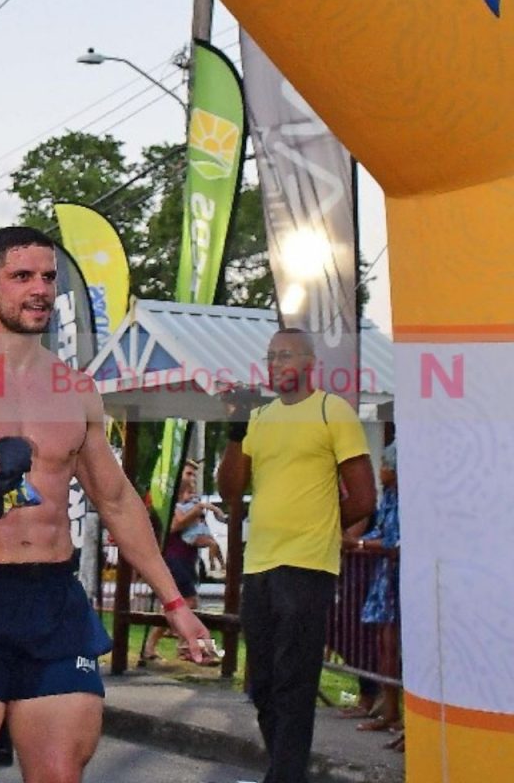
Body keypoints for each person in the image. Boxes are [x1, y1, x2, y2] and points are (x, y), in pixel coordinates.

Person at [0, 226, 213, 783]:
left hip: (54, 601)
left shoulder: (75, 389)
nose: (39, 289)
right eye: (22, 276)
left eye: (48, 277)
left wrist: (174, 603)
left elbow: (116, 500)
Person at [218, 327, 375, 783]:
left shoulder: (331, 411)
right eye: (269, 357)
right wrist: (235, 428)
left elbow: (363, 498)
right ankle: (285, 772)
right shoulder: (261, 418)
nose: (275, 364)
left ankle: (283, 777)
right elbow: (231, 491)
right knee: (263, 684)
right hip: (260, 566)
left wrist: (322, 527)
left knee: (294, 682)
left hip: (307, 566)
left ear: (309, 363)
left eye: (285, 355)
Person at [140, 463, 222, 664]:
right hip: (174, 557)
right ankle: (190, 647)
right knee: (188, 602)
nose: (192, 481)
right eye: (189, 475)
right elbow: (175, 525)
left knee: (176, 604)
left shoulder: (190, 503)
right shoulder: (172, 504)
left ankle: (163, 646)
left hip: (187, 557)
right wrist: (198, 509)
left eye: (194, 477)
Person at [354, 426, 400, 748]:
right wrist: (357, 542)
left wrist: (358, 543)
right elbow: (380, 534)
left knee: (394, 645)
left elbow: (395, 543)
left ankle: (396, 710)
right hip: (383, 578)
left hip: (397, 578)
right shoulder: (389, 499)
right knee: (384, 643)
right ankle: (389, 709)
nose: (380, 469)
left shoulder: (406, 500)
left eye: (384, 464)